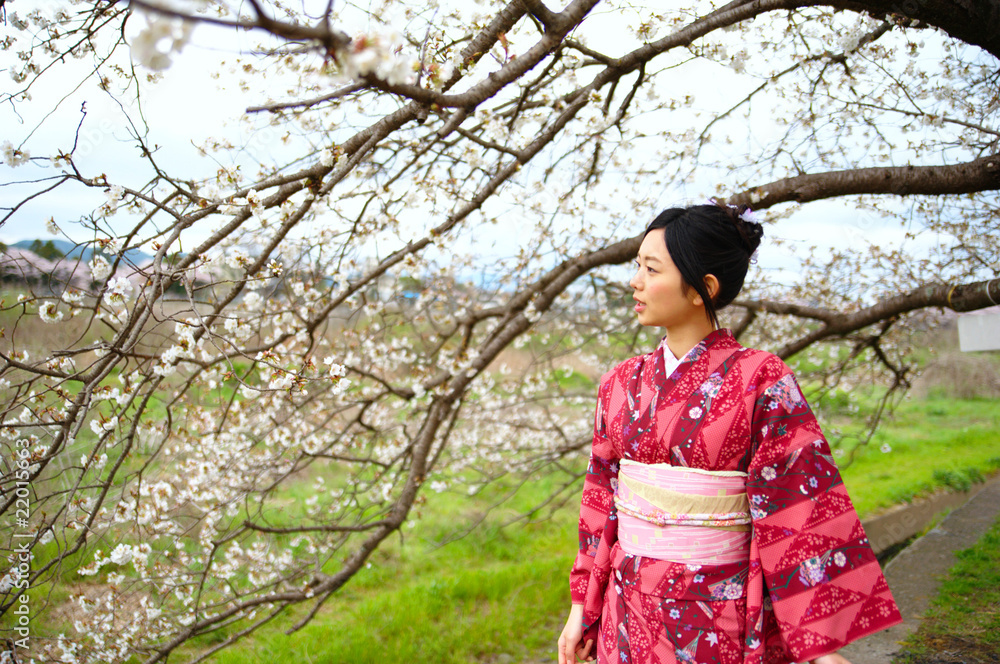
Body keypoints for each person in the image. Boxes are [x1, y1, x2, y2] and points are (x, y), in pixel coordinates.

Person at [557, 204, 901, 664]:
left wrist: (821, 650)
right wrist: (582, 606)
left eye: (651, 268)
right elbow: (600, 499)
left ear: (704, 289)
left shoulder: (761, 378)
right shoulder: (619, 382)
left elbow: (798, 505)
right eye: (637, 265)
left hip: (718, 613)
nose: (635, 281)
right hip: (627, 607)